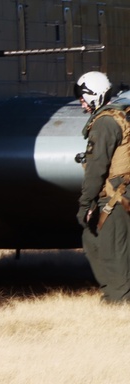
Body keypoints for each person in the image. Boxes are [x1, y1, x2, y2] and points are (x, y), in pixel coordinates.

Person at [75, 71, 130, 302]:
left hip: (115, 197)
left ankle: (118, 300)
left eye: (82, 96)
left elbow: (97, 167)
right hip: (119, 194)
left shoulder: (105, 123)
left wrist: (85, 203)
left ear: (94, 95)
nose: (81, 101)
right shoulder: (117, 117)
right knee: (93, 240)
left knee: (112, 251)